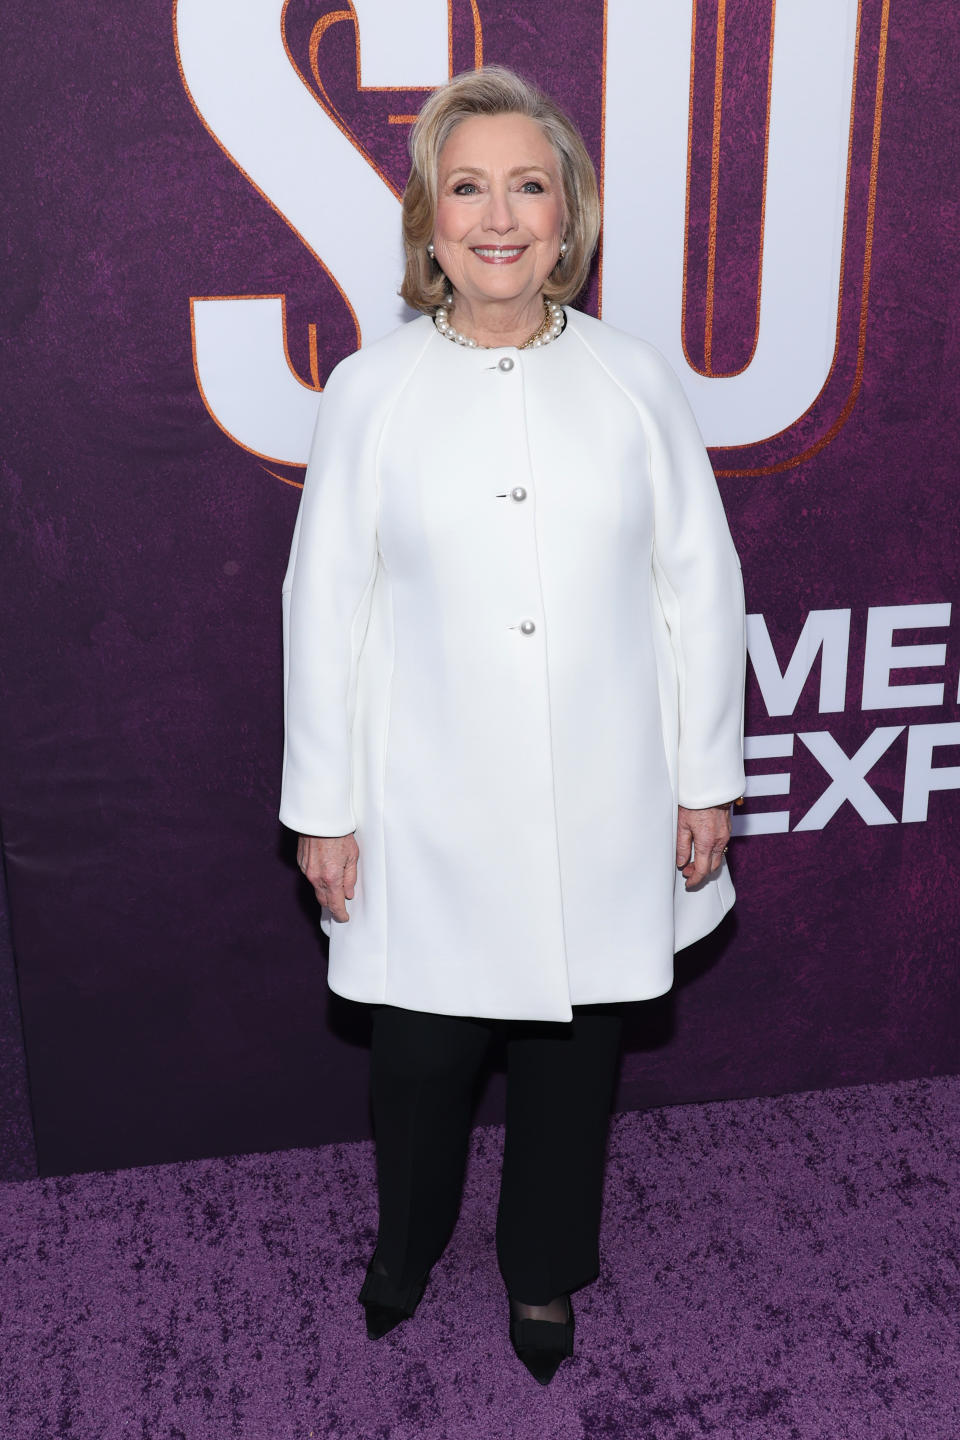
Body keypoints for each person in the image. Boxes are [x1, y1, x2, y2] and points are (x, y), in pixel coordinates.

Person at [280, 65, 746, 1386]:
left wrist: (707, 777)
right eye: (467, 187)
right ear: (430, 221)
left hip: (607, 801)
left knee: (573, 1066)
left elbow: (699, 587)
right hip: (422, 809)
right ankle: (407, 1249)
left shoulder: (634, 380)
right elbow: (323, 607)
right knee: (417, 1067)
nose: (499, 217)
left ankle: (545, 1272)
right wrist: (324, 806)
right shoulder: (371, 392)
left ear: (569, 215)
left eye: (527, 186)